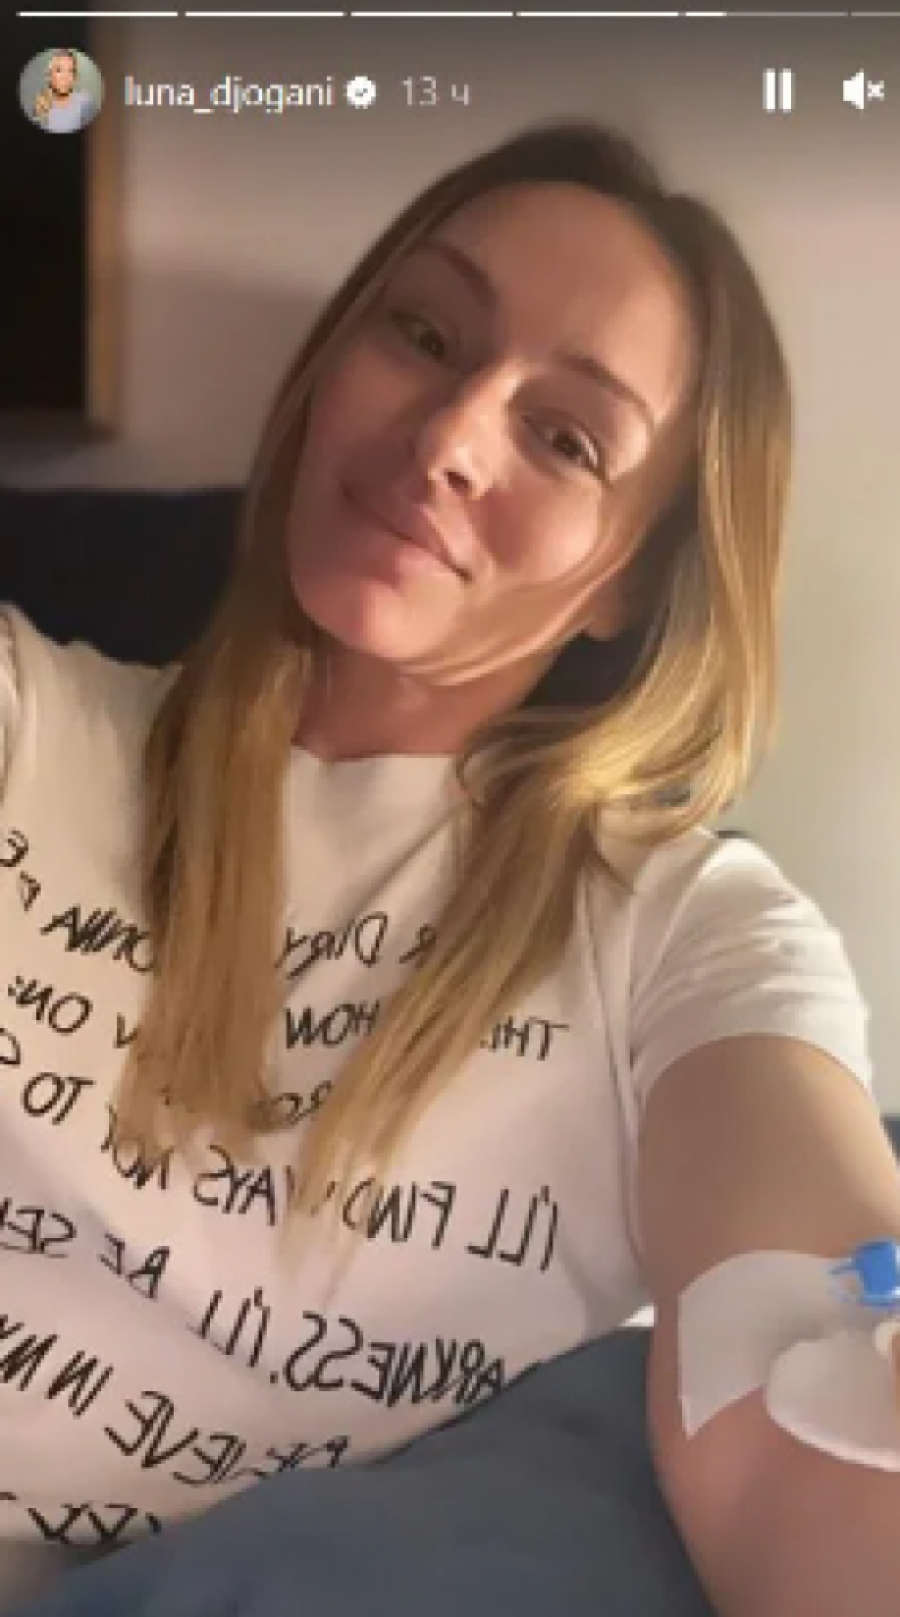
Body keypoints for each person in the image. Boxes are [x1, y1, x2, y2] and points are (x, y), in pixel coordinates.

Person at [1, 119, 899, 1616]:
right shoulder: (30, 724)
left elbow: (810, 1394)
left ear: (630, 578)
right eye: (423, 334)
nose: (449, 441)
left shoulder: (687, 929)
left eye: (567, 438)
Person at [32, 49, 97, 135]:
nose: (65, 77)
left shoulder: (85, 102)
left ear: (74, 77)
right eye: (59, 70)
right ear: (49, 76)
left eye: (70, 71)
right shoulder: (41, 105)